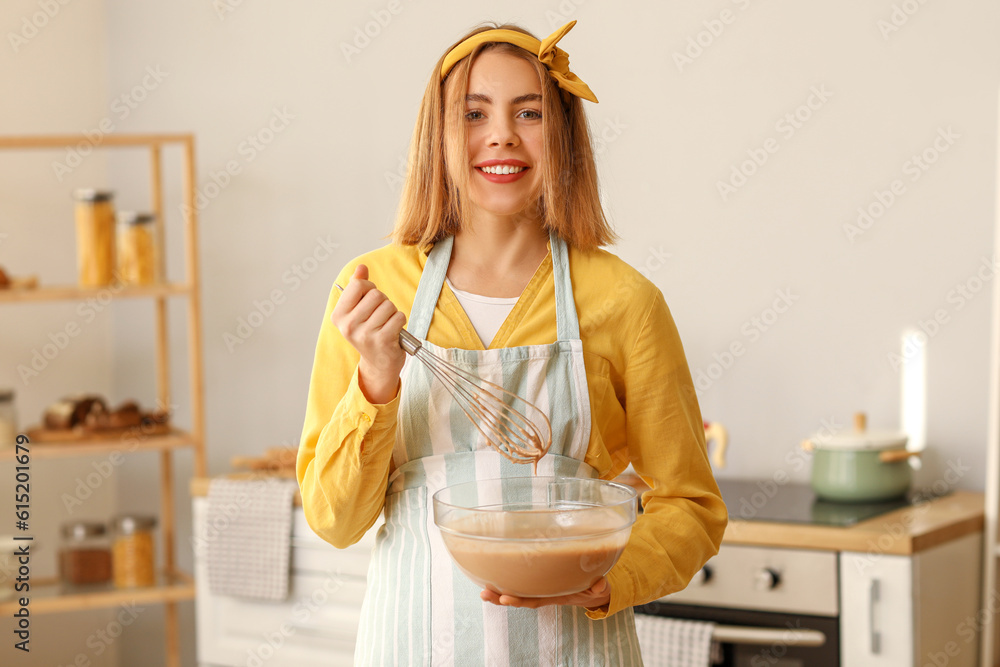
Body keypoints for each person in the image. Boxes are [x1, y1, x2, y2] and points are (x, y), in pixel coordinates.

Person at [296, 20, 727, 665]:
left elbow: (691, 505)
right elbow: (334, 520)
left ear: (562, 135)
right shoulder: (371, 291)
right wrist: (377, 377)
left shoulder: (625, 302)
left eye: (528, 112)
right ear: (437, 135)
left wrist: (611, 578)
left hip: (578, 648)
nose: (501, 134)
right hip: (415, 645)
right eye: (474, 113)